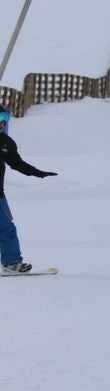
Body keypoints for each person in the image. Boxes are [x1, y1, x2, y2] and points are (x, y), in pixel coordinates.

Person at [0, 109, 57, 273]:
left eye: (3, 118)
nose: (1, 121)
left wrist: (38, 173)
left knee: (6, 229)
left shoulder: (5, 142)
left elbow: (17, 164)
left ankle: (11, 263)